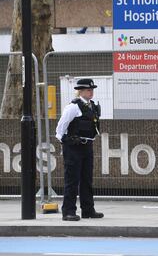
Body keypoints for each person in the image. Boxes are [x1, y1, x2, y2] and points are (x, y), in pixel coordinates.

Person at [56, 78, 103, 221]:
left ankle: (88, 210)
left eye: (92, 89)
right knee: (72, 180)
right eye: (88, 90)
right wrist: (67, 141)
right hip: (74, 148)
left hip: (87, 146)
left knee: (87, 179)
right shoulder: (73, 107)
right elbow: (59, 130)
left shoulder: (92, 106)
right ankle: (68, 211)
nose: (91, 92)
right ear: (80, 91)